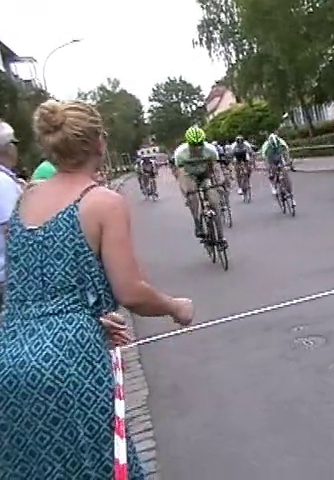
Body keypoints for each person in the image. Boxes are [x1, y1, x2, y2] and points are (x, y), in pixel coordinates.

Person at [0, 99, 194, 479]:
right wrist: (175, 306)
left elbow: (30, 289)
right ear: (99, 143)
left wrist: (82, 317)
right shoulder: (102, 202)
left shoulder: (26, 198)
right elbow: (131, 292)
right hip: (72, 360)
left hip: (9, 353)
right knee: (96, 465)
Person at [173, 126, 226, 243]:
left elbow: (216, 168)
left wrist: (220, 182)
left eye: (200, 144)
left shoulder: (210, 150)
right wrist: (186, 192)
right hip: (189, 175)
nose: (197, 148)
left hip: (205, 174)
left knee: (214, 201)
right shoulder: (180, 153)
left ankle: (221, 237)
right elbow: (180, 175)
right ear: (188, 143)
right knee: (193, 197)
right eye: (193, 145)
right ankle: (197, 222)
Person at [0, 121, 23, 309]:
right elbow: (12, 230)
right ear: (7, 148)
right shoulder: (3, 184)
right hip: (7, 276)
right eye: (15, 143)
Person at [261, 133, 295, 205]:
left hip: (279, 158)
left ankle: (290, 191)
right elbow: (265, 159)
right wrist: (269, 168)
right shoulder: (266, 146)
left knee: (284, 172)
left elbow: (286, 153)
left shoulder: (281, 142)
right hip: (270, 159)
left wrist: (289, 162)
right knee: (272, 171)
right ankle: (273, 185)